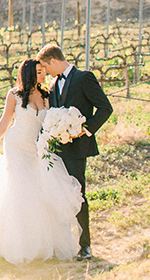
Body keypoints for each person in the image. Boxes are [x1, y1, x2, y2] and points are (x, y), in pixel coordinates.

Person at [0, 59, 83, 264]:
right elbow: (5, 120)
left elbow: (49, 121)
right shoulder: (14, 95)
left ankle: (39, 240)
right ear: (29, 74)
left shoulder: (47, 95)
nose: (43, 75)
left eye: (43, 71)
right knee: (21, 188)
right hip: (16, 146)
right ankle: (17, 242)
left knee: (38, 189)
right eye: (39, 72)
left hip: (37, 148)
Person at [36, 43, 114, 261]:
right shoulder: (52, 84)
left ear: (52, 61)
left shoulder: (84, 77)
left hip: (77, 149)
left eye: (45, 67)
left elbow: (105, 108)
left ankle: (85, 245)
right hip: (56, 150)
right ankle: (62, 243)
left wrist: (84, 129)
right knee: (56, 195)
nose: (45, 72)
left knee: (78, 196)